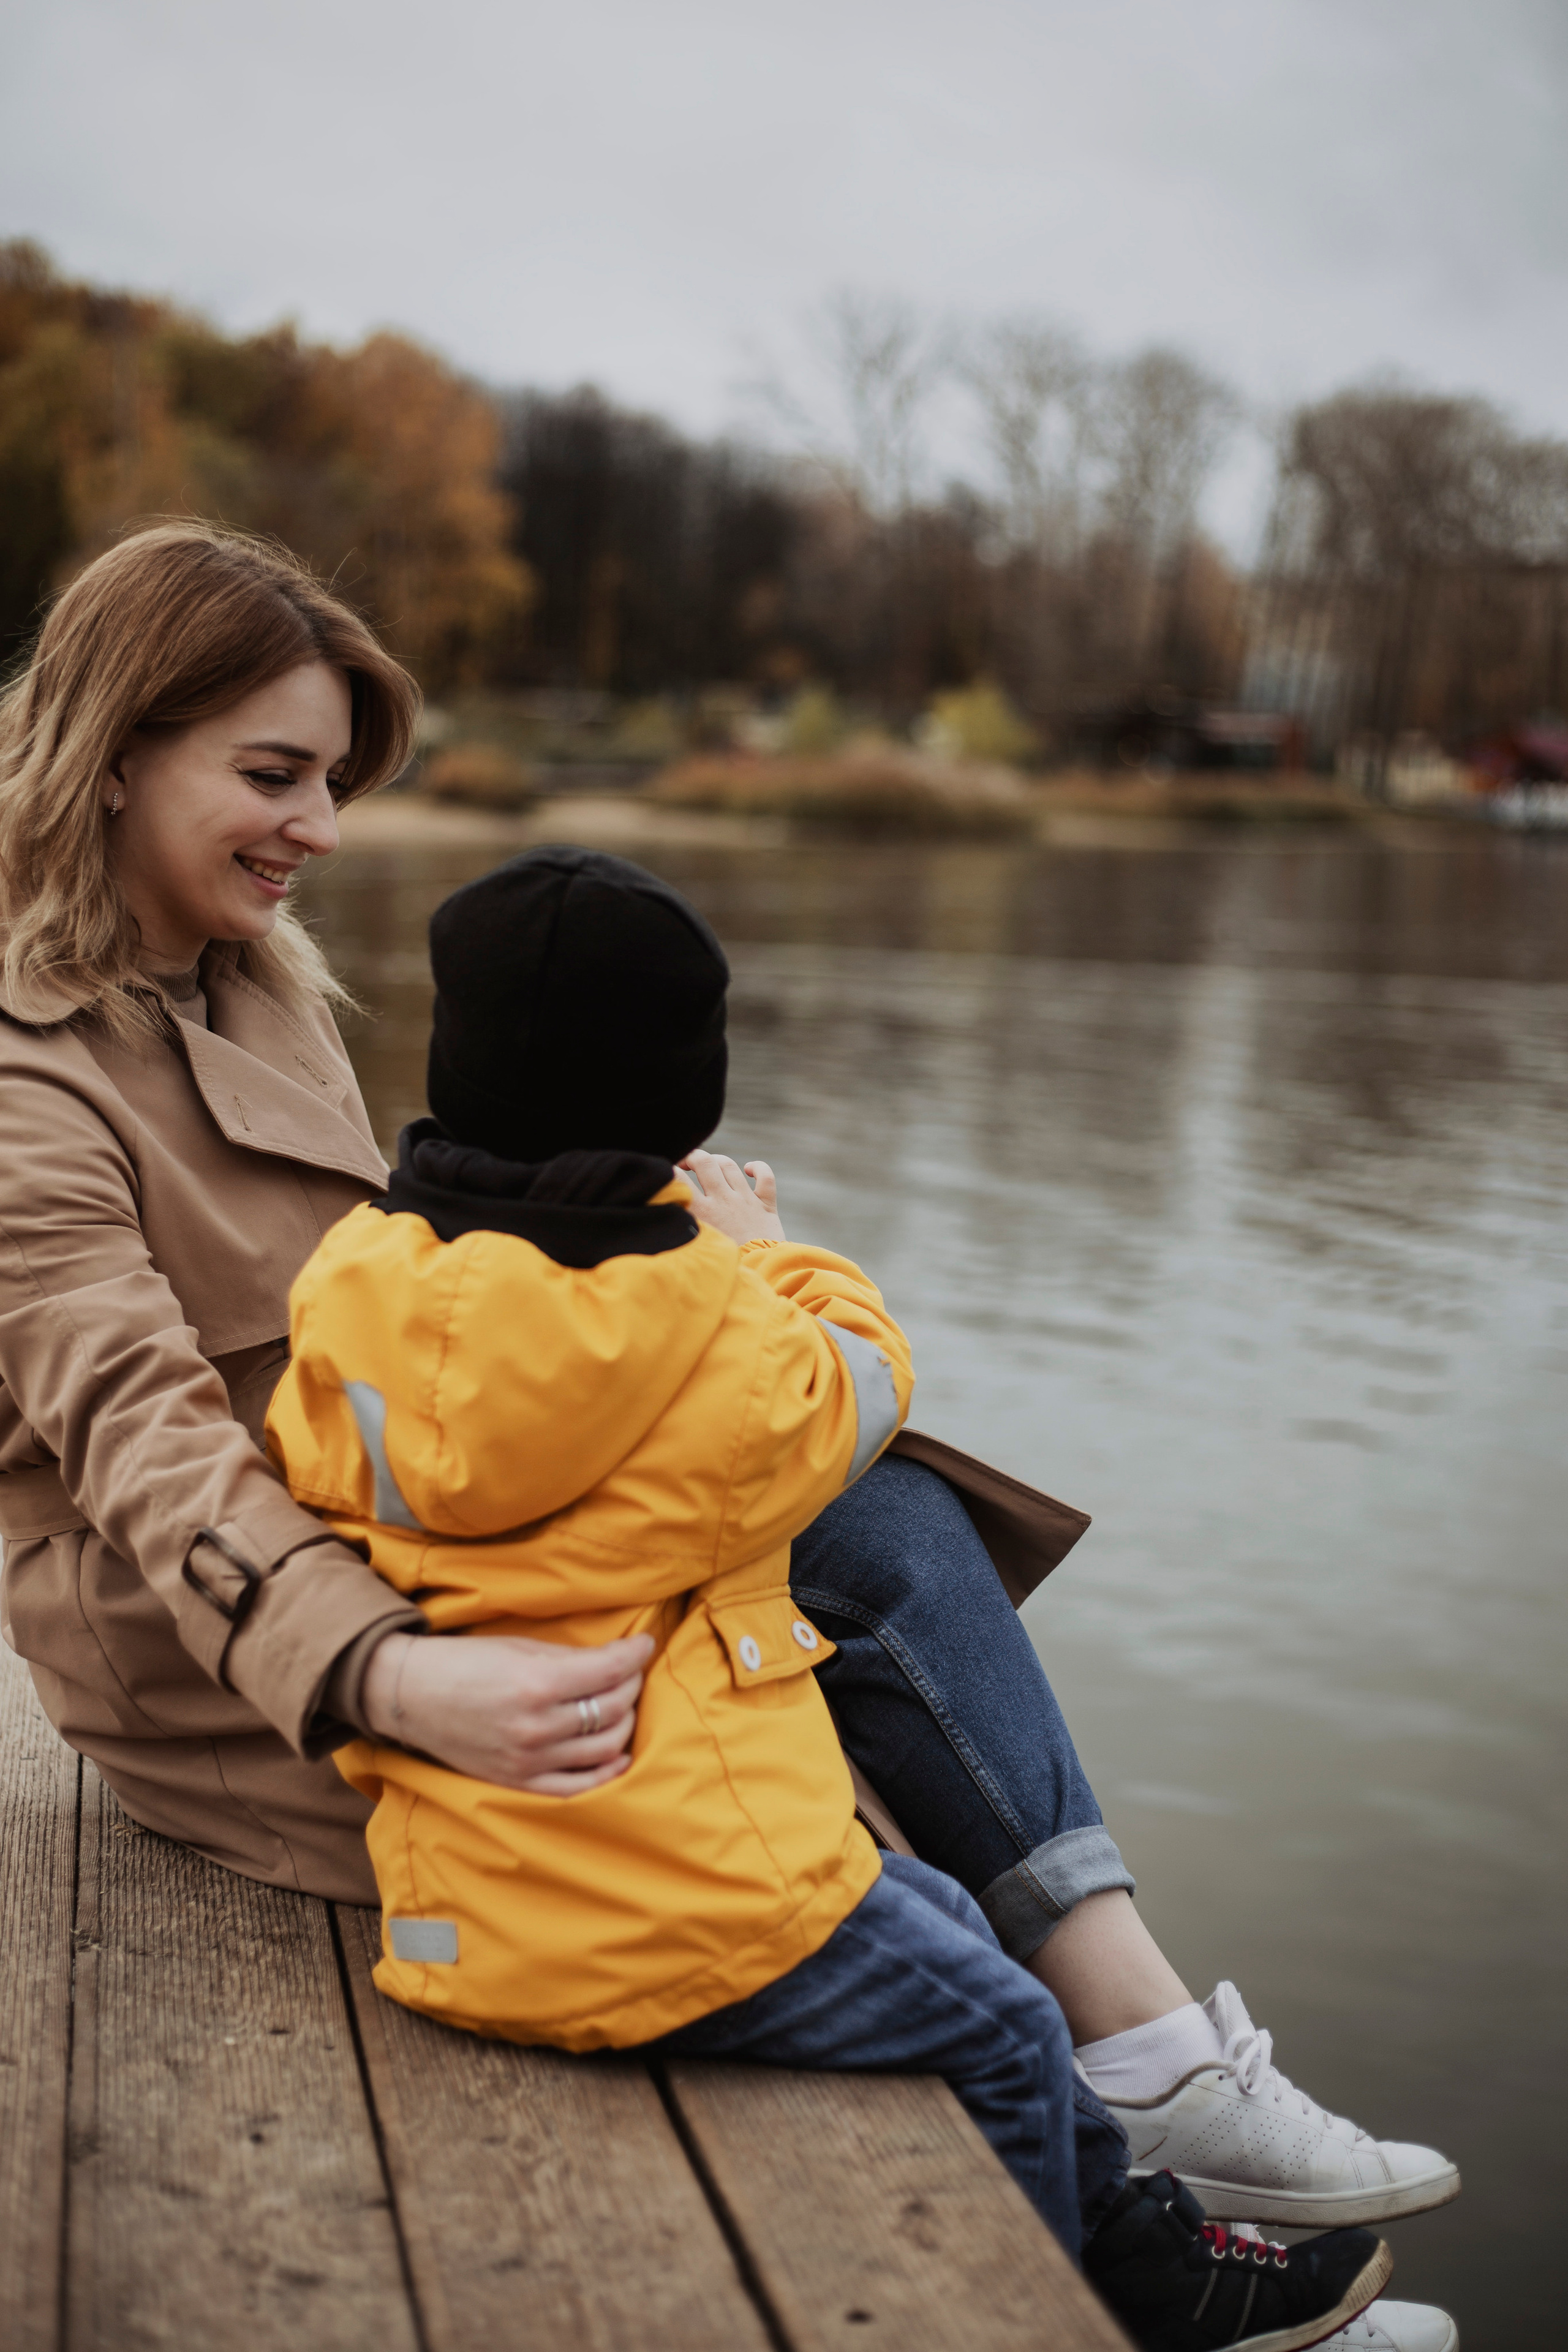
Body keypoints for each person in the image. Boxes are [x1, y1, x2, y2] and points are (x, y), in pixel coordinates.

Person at [0, 523, 1457, 2350]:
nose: (322, 831)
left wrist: (670, 1254)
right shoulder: (21, 1075)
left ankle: (1145, 2064)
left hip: (410, 1518)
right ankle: (1146, 2164)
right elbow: (147, 1450)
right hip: (233, 1640)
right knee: (819, 1639)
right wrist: (381, 1678)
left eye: (338, 784)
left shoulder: (245, 976)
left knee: (849, 1507)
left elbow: (447, 1291)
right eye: (274, 776)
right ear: (115, 748)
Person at [265, 843, 1395, 2350]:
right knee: (1001, 2019)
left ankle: (1151, 2200)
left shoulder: (353, 1288)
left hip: (462, 1899)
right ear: (683, 1103)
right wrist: (773, 1252)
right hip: (672, 1907)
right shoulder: (706, 1332)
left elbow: (305, 1445)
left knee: (927, 1902)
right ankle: (1135, 2285)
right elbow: (863, 1389)